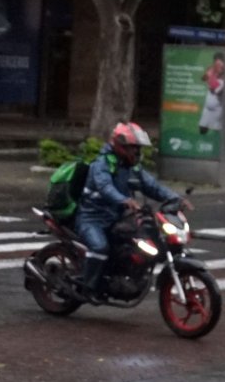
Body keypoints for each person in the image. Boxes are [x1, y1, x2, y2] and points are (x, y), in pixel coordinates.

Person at [74, 122, 192, 303]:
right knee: (100, 247)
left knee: (141, 240)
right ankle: (88, 287)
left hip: (118, 218)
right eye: (133, 148)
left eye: (138, 148)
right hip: (92, 218)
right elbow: (105, 187)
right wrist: (124, 200)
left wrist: (175, 199)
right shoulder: (102, 164)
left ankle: (127, 273)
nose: (137, 152)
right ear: (120, 147)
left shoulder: (132, 168)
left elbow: (152, 187)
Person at [199, 53, 225, 135]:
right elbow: (203, 78)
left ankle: (217, 144)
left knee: (216, 129)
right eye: (216, 62)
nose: (218, 65)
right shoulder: (211, 69)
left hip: (218, 106)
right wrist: (207, 75)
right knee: (202, 128)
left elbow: (218, 89)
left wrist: (213, 80)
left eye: (220, 62)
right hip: (208, 105)